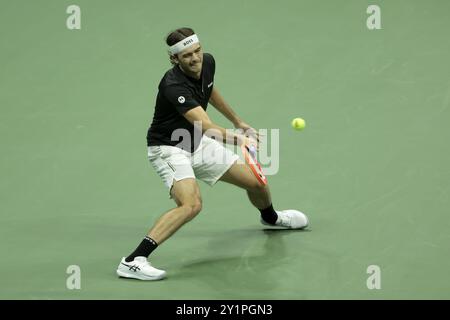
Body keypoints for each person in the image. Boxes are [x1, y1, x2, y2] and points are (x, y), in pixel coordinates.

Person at [116, 27, 309, 281]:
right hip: (169, 148)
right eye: (187, 56)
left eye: (197, 51)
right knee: (191, 205)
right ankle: (133, 261)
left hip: (197, 143)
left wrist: (238, 121)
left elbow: (209, 90)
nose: (195, 59)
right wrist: (238, 139)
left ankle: (272, 218)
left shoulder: (207, 62)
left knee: (256, 182)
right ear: (174, 59)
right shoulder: (173, 85)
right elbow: (205, 125)